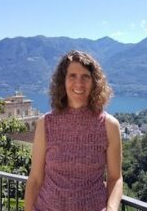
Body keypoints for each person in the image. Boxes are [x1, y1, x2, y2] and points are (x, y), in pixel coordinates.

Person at [24, 50, 123, 211]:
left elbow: (115, 178)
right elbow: (35, 178)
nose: (79, 83)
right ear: (62, 81)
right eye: (72, 76)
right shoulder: (46, 124)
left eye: (85, 76)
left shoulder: (109, 125)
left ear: (95, 82)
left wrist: (111, 209)